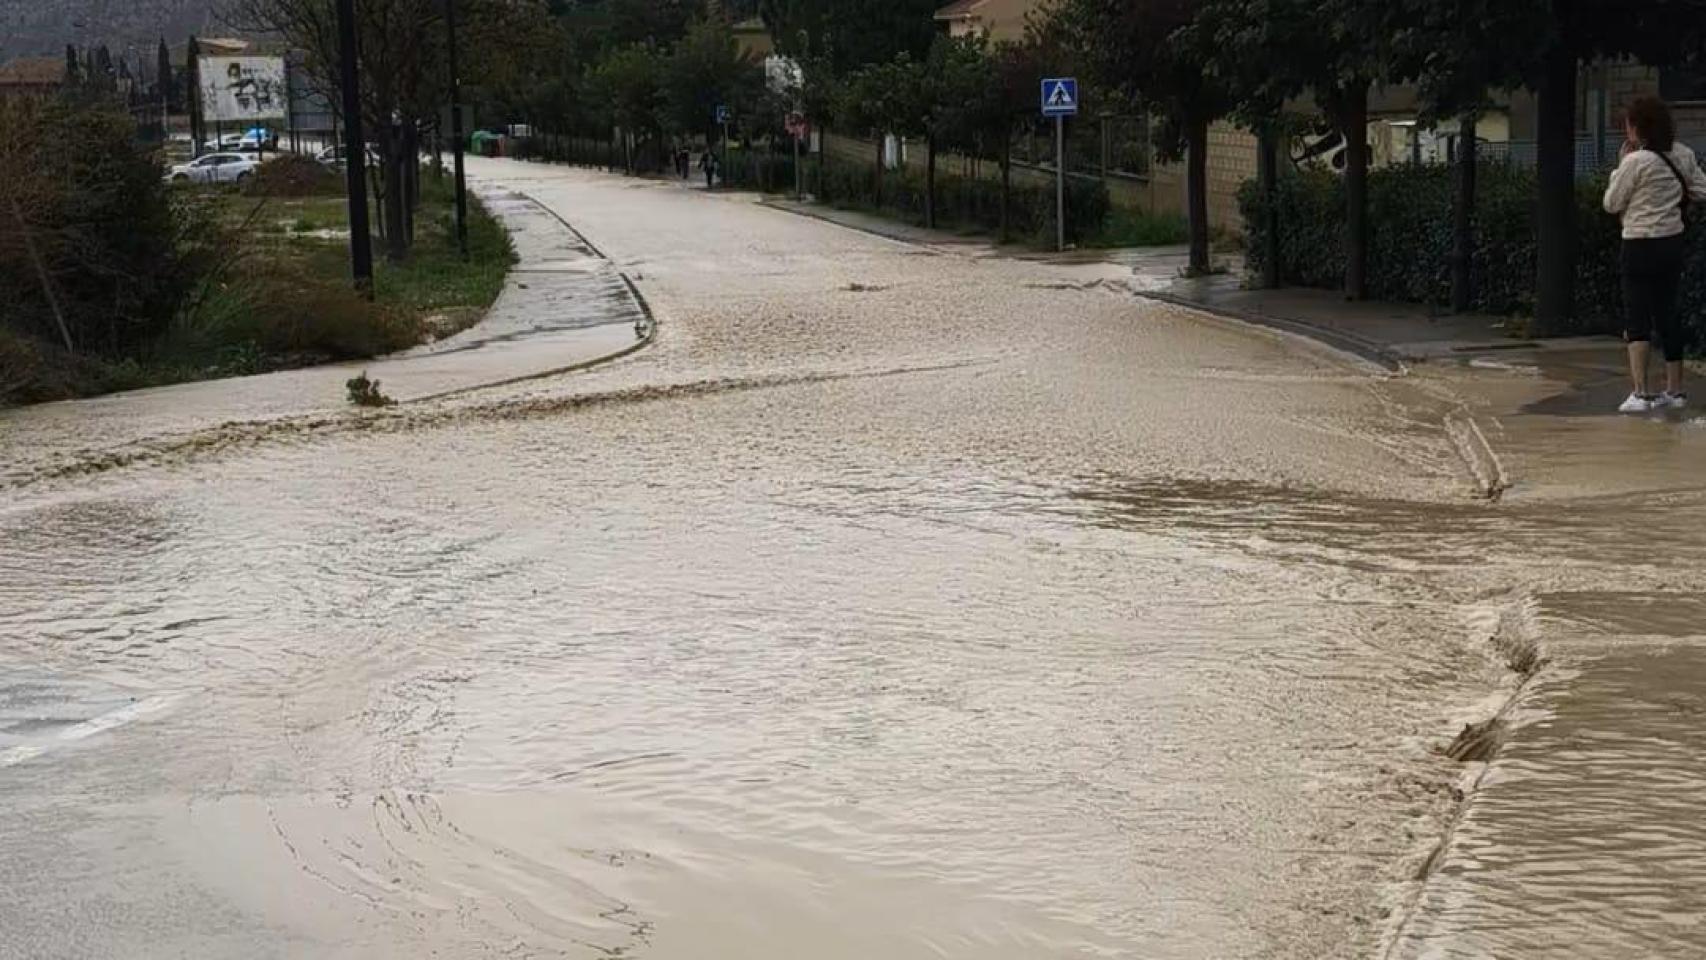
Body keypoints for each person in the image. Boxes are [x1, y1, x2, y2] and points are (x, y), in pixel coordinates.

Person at [1603, 95, 1706, 414]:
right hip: (1671, 243)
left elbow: (1611, 203)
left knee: (1637, 316)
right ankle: (1675, 390)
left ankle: (1641, 392)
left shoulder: (1635, 162)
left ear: (1638, 127)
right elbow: (1702, 190)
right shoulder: (1684, 155)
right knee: (1667, 313)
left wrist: (1621, 166)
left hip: (1638, 243)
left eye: (1629, 125)